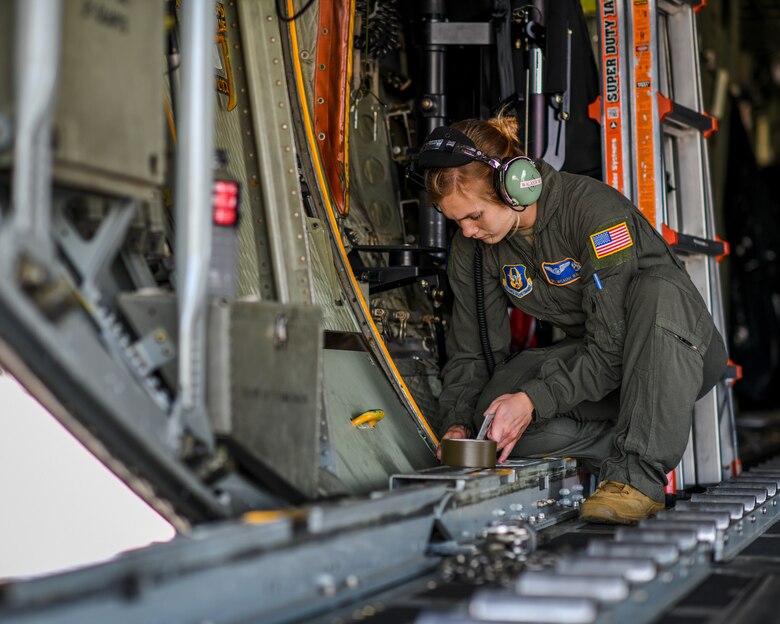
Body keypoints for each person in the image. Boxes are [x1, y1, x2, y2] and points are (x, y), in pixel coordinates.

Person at [419, 116, 728, 524]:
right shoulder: (474, 248)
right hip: (600, 369)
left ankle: (637, 478)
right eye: (456, 220)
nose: (467, 231)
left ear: (514, 187)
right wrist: (459, 423)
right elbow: (472, 350)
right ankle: (629, 439)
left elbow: (612, 345)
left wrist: (534, 400)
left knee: (657, 290)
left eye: (474, 216)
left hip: (669, 355)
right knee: (490, 418)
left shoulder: (592, 211)